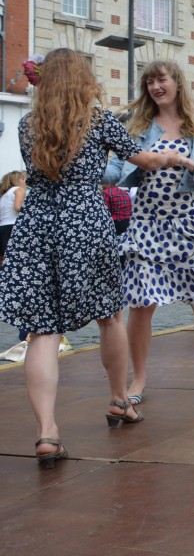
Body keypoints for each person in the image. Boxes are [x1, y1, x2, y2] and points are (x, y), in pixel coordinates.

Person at [0, 48, 180, 468]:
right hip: (86, 222)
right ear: (81, 80)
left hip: (37, 225)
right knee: (110, 316)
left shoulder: (29, 124)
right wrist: (172, 155)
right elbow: (144, 159)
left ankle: (47, 432)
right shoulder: (97, 120)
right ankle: (120, 400)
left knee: (42, 331)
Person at [105, 60, 194, 402]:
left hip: (187, 222)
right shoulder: (138, 127)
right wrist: (81, 162)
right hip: (147, 223)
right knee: (140, 303)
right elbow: (116, 171)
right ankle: (139, 380)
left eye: (160, 79)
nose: (154, 86)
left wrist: (184, 161)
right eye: (149, 81)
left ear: (176, 82)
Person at [0, 170, 27, 263]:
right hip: (13, 227)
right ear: (20, 180)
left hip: (2, 227)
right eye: (24, 179)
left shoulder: (4, 195)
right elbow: (17, 207)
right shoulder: (19, 190)